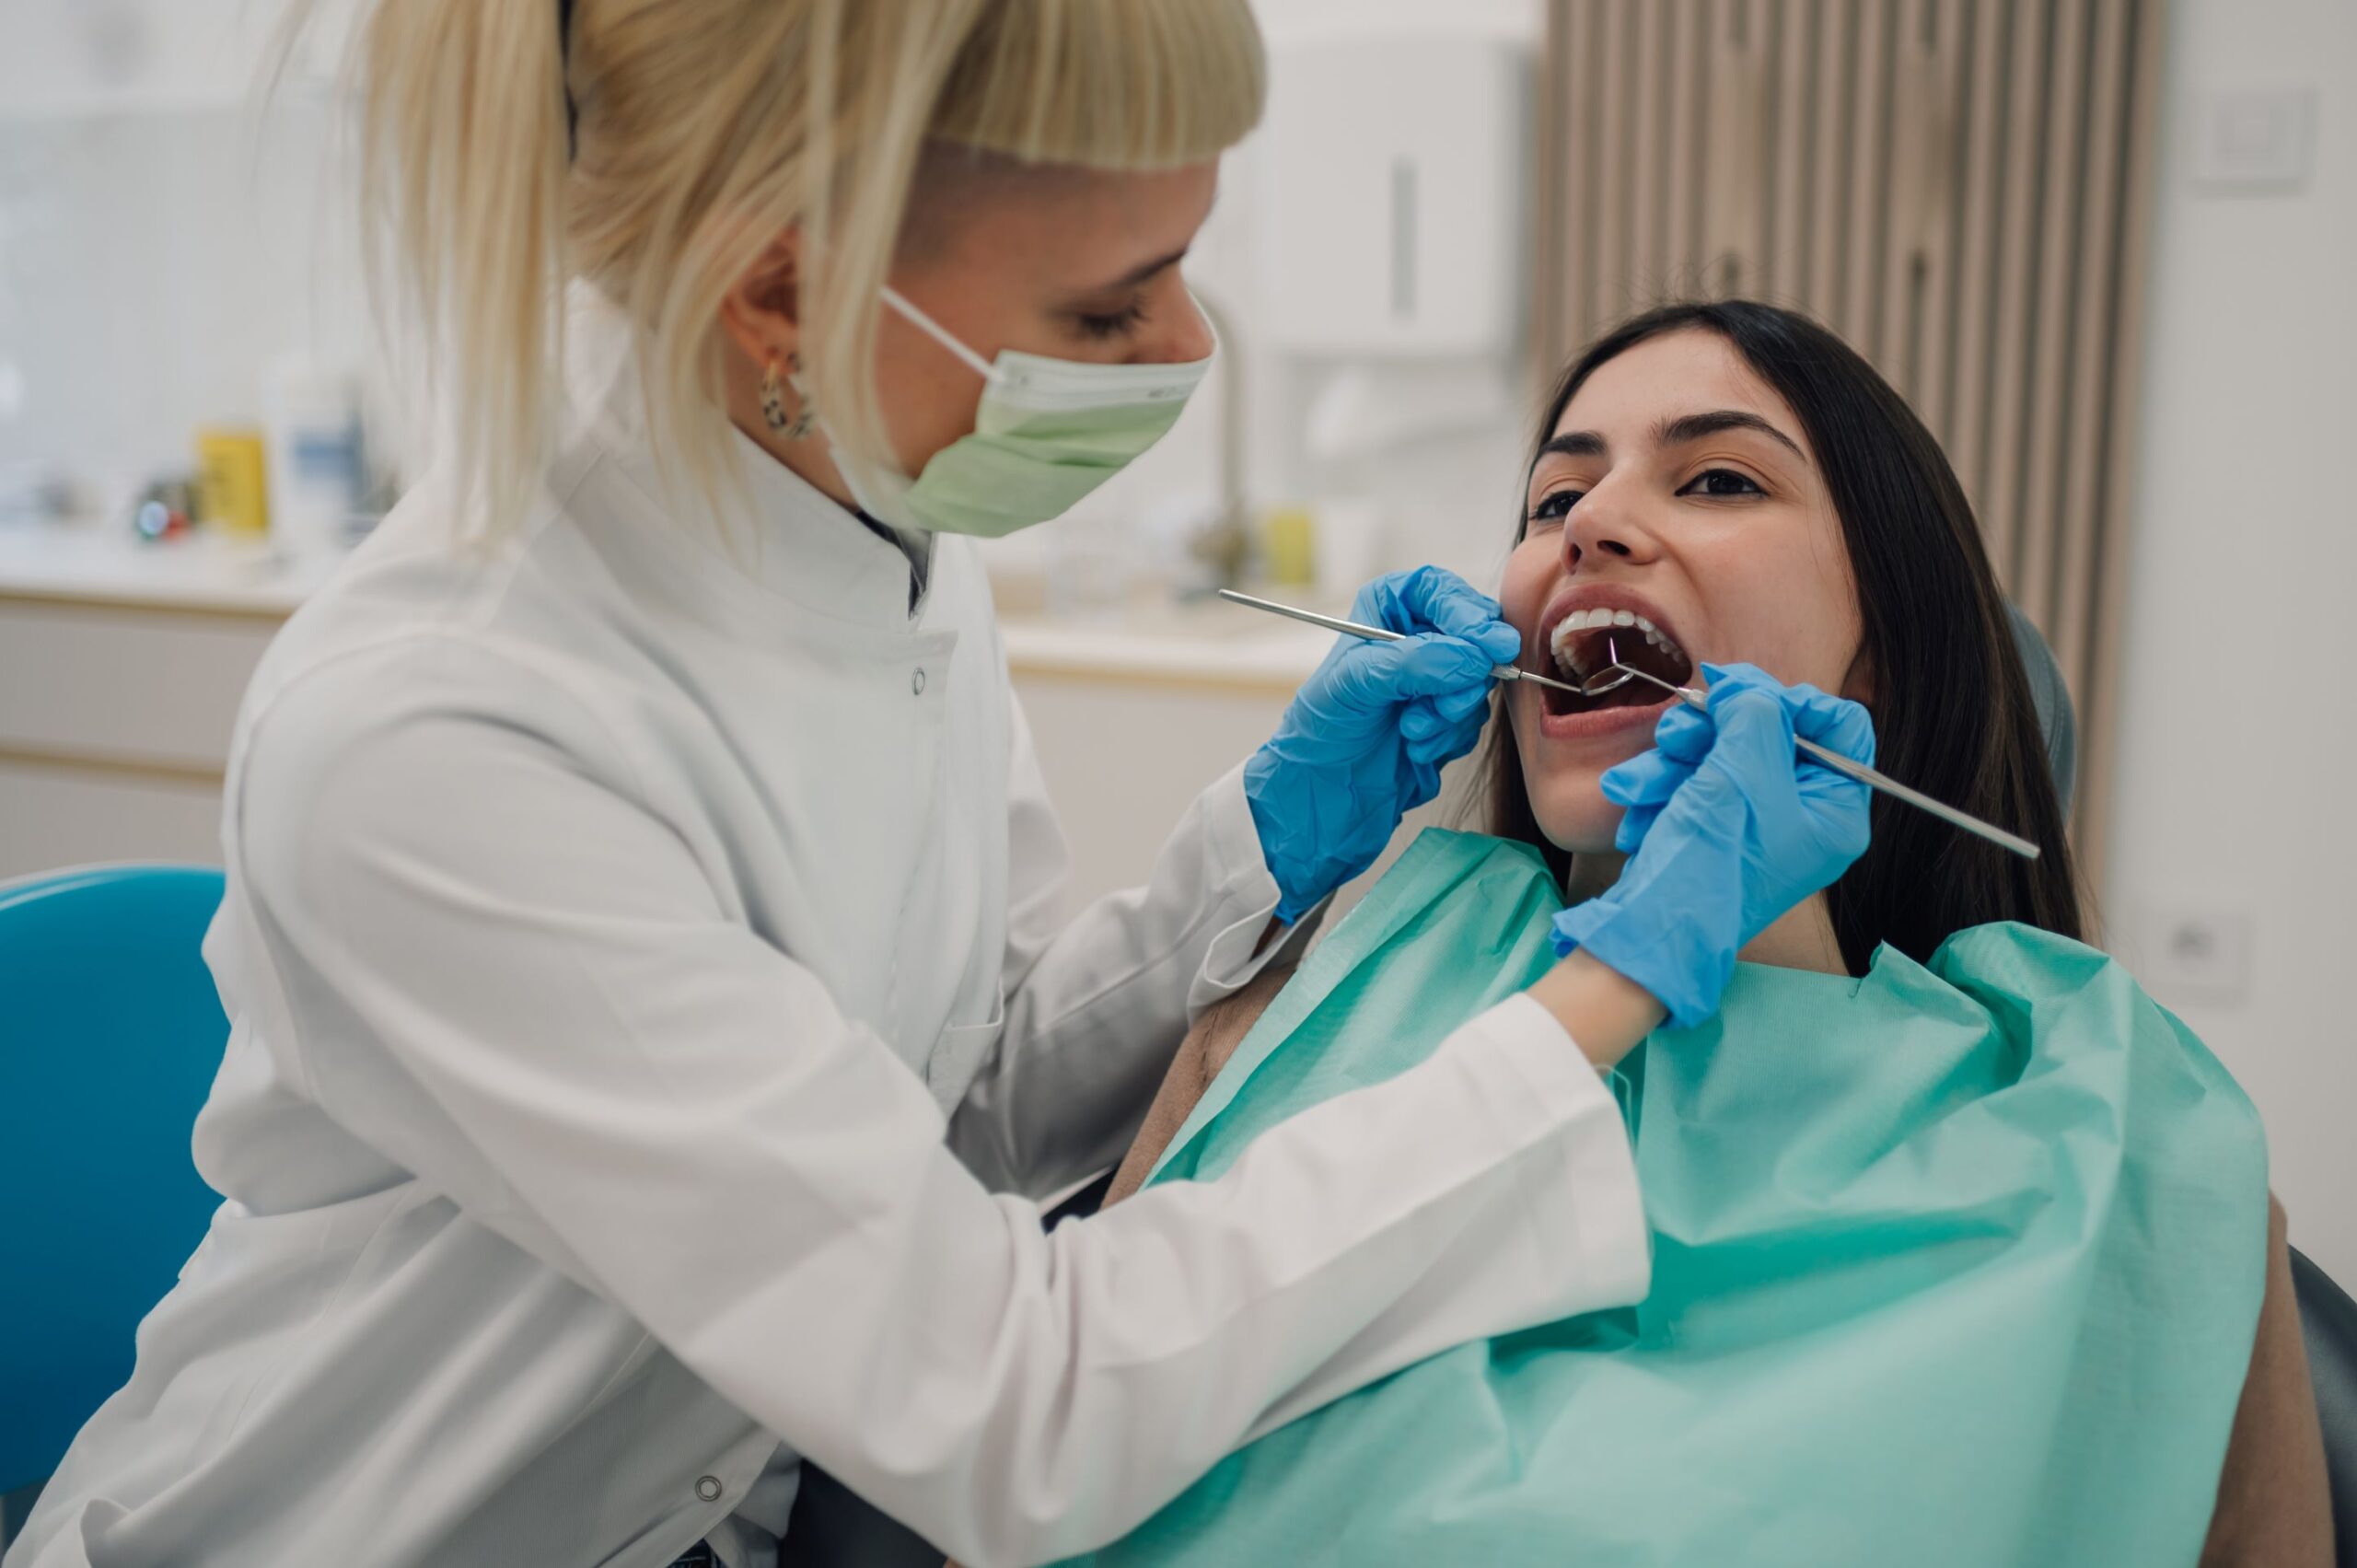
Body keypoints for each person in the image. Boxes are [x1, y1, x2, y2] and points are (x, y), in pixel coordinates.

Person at [3, 13, 1886, 1568]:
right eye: (1109, 309)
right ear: (785, 292)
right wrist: (1611, 982)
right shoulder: (439, 734)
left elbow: (940, 1120)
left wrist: (1252, 852)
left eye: (1718, 481)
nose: (1189, 348)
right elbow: (1003, 1403)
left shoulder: (877, 528)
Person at [1078, 301, 2337, 1566]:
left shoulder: (2124, 1147)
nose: (1592, 523)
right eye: (1553, 498)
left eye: (1720, 479)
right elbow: (1041, 1429)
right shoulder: (1298, 1016)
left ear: (1880, 666)